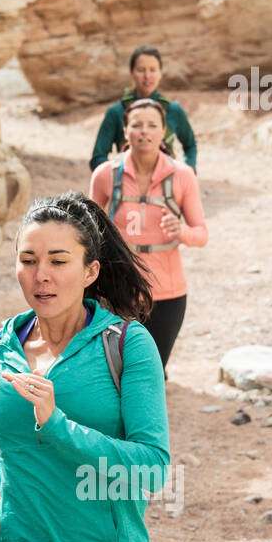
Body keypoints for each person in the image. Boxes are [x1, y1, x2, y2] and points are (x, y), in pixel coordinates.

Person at [0, 192, 170, 542]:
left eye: (59, 261)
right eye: (28, 260)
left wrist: (58, 427)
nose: (42, 275)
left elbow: (153, 468)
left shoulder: (127, 345)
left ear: (91, 271)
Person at [90, 98, 207, 376]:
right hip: (116, 292)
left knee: (151, 370)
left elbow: (201, 234)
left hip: (166, 293)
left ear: (163, 131)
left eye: (152, 125)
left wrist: (181, 232)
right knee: (114, 371)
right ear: (126, 130)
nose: (145, 131)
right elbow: (86, 233)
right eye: (137, 125)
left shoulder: (182, 175)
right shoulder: (105, 175)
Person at [89, 45, 197, 173]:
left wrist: (188, 172)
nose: (147, 76)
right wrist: (115, 176)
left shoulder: (173, 110)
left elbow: (190, 145)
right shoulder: (116, 112)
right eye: (141, 70)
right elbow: (98, 157)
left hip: (167, 183)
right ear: (132, 72)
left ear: (160, 73)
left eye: (153, 70)